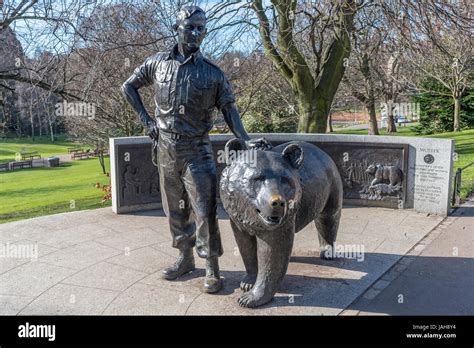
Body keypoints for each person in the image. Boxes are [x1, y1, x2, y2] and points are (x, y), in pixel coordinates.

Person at [122, 5, 267, 293]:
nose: (196, 33)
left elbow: (229, 109)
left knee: (204, 210)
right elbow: (128, 87)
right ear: (176, 29)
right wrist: (146, 121)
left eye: (201, 28)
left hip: (197, 150)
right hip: (165, 147)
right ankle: (185, 258)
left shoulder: (212, 73)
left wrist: (245, 139)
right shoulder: (157, 63)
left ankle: (212, 267)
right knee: (175, 210)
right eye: (190, 27)